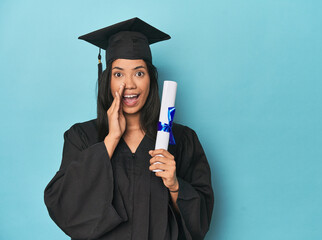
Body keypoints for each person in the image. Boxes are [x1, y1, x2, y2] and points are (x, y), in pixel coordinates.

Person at [44, 17, 214, 240]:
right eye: (118, 74)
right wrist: (111, 140)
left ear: (151, 80)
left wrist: (174, 186)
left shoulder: (182, 140)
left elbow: (200, 219)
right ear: (108, 80)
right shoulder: (82, 137)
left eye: (139, 73)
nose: (130, 84)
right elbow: (63, 205)